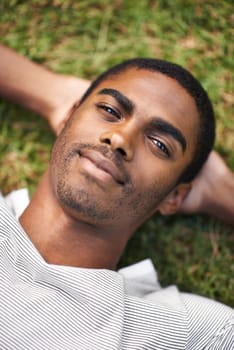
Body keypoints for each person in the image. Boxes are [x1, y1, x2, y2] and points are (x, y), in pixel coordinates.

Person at [0, 45, 233, 349]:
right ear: (69, 118)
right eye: (110, 111)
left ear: (174, 197)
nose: (121, 138)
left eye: (160, 144)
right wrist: (54, 93)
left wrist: (223, 192)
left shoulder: (176, 329)